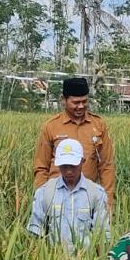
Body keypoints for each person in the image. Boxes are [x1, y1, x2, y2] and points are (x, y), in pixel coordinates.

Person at [33, 76, 115, 206]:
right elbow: (41, 167)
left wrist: (108, 202)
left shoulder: (99, 125)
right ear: (64, 100)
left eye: (84, 101)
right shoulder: (51, 127)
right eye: (75, 102)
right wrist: (42, 200)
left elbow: (106, 166)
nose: (81, 106)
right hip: (57, 196)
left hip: (88, 196)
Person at [27, 138, 110, 250]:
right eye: (64, 166)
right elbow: (35, 233)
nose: (68, 171)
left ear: (82, 161)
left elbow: (102, 236)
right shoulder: (45, 192)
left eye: (73, 166)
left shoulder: (96, 193)